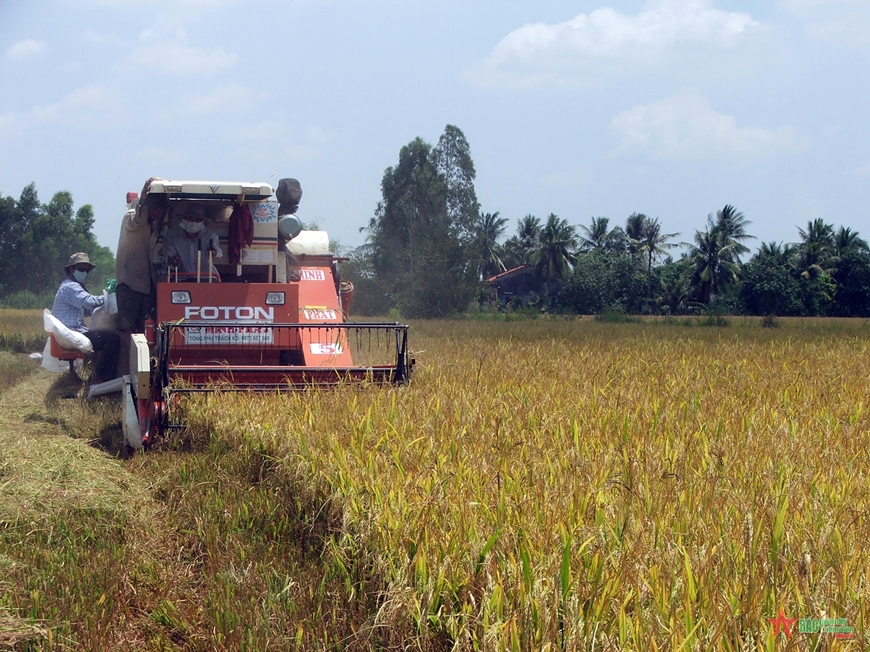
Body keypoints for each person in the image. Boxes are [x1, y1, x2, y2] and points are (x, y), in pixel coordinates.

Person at [51, 252, 120, 384]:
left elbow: (88, 310)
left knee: (102, 336)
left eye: (86, 270)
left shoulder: (71, 286)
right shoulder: (70, 286)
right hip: (71, 333)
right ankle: (100, 378)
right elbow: (90, 302)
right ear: (71, 269)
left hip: (70, 332)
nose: (84, 272)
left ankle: (97, 374)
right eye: (81, 269)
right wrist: (110, 296)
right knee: (112, 339)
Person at [115, 189, 164, 332]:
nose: (160, 213)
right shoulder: (131, 218)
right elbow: (138, 220)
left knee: (144, 327)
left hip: (146, 285)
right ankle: (127, 354)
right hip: (129, 283)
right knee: (127, 329)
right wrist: (143, 198)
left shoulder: (154, 226)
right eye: (158, 209)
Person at [164, 202, 223, 278]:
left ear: (203, 222)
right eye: (190, 218)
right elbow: (169, 258)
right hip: (184, 280)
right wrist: (173, 261)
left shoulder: (210, 236)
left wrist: (213, 253)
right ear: (184, 219)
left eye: (198, 219)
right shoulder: (174, 238)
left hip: (208, 279)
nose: (193, 222)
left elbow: (218, 252)